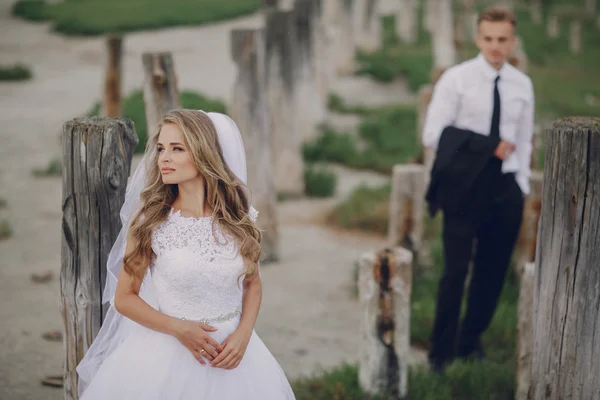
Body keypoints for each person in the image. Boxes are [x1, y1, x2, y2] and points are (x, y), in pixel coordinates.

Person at [77, 109, 295, 399]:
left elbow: (252, 283)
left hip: (234, 356)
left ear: (204, 152)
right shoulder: (150, 220)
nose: (163, 158)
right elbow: (125, 298)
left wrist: (243, 334)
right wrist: (179, 329)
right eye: (161, 149)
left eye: (177, 149)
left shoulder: (237, 216)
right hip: (168, 352)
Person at [422, 7, 534, 373]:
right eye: (488, 39)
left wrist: (520, 184)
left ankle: (471, 342)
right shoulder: (457, 79)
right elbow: (433, 134)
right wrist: (487, 145)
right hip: (463, 189)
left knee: (492, 272)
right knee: (454, 273)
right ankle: (440, 352)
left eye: (502, 40)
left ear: (513, 41)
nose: (495, 47)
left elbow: (524, 140)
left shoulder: (522, 85)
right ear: (477, 38)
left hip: (504, 188)